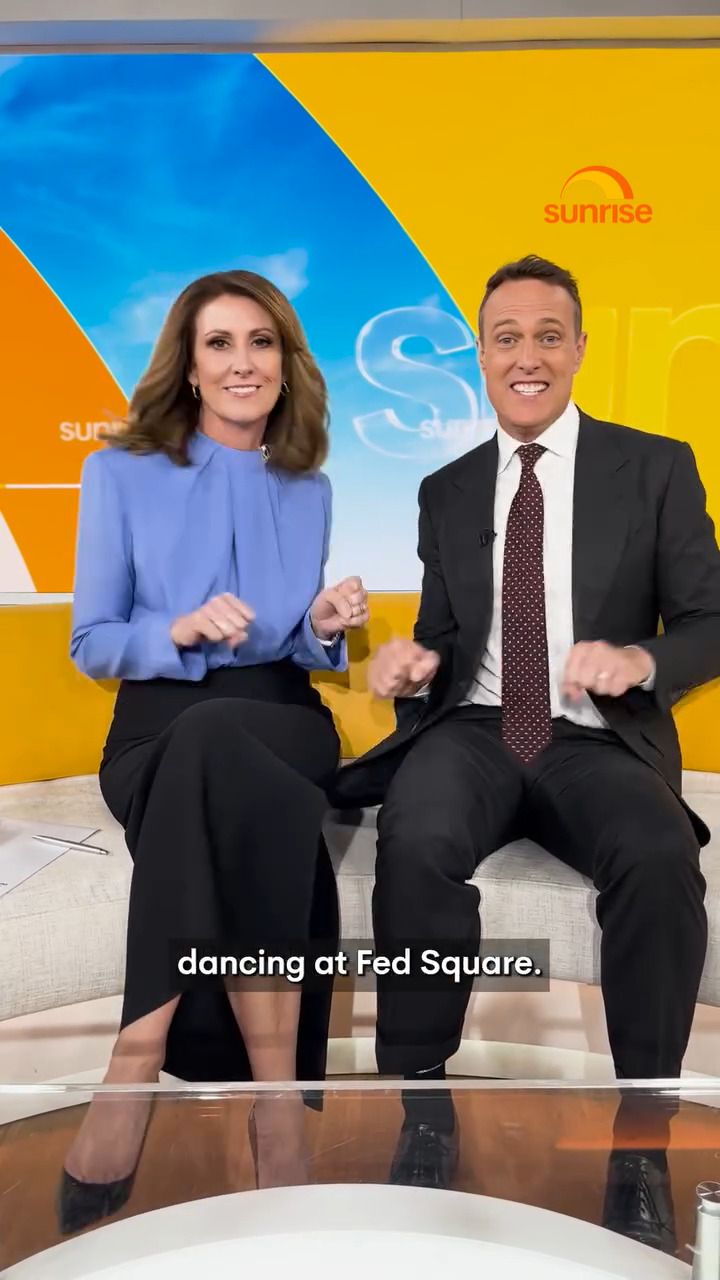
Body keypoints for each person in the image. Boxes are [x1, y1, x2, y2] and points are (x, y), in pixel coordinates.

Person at [333, 255, 720, 1253]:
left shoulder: (657, 466)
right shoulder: (448, 488)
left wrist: (641, 659)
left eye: (549, 335)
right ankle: (425, 1105)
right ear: (482, 356)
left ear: (580, 348)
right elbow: (444, 633)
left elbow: (711, 621)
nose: (528, 356)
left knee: (658, 856)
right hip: (476, 729)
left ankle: (641, 1139)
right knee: (415, 836)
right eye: (506, 338)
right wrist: (415, 666)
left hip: (594, 732)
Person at [60, 269, 368, 1232]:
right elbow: (91, 642)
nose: (243, 363)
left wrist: (321, 626)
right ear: (189, 368)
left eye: (261, 342)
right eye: (220, 344)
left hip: (281, 716)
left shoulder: (308, 488)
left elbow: (292, 647)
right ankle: (277, 1105)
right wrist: (178, 630)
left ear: (285, 363)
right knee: (219, 758)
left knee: (230, 744)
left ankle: (134, 1061)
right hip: (157, 725)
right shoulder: (118, 473)